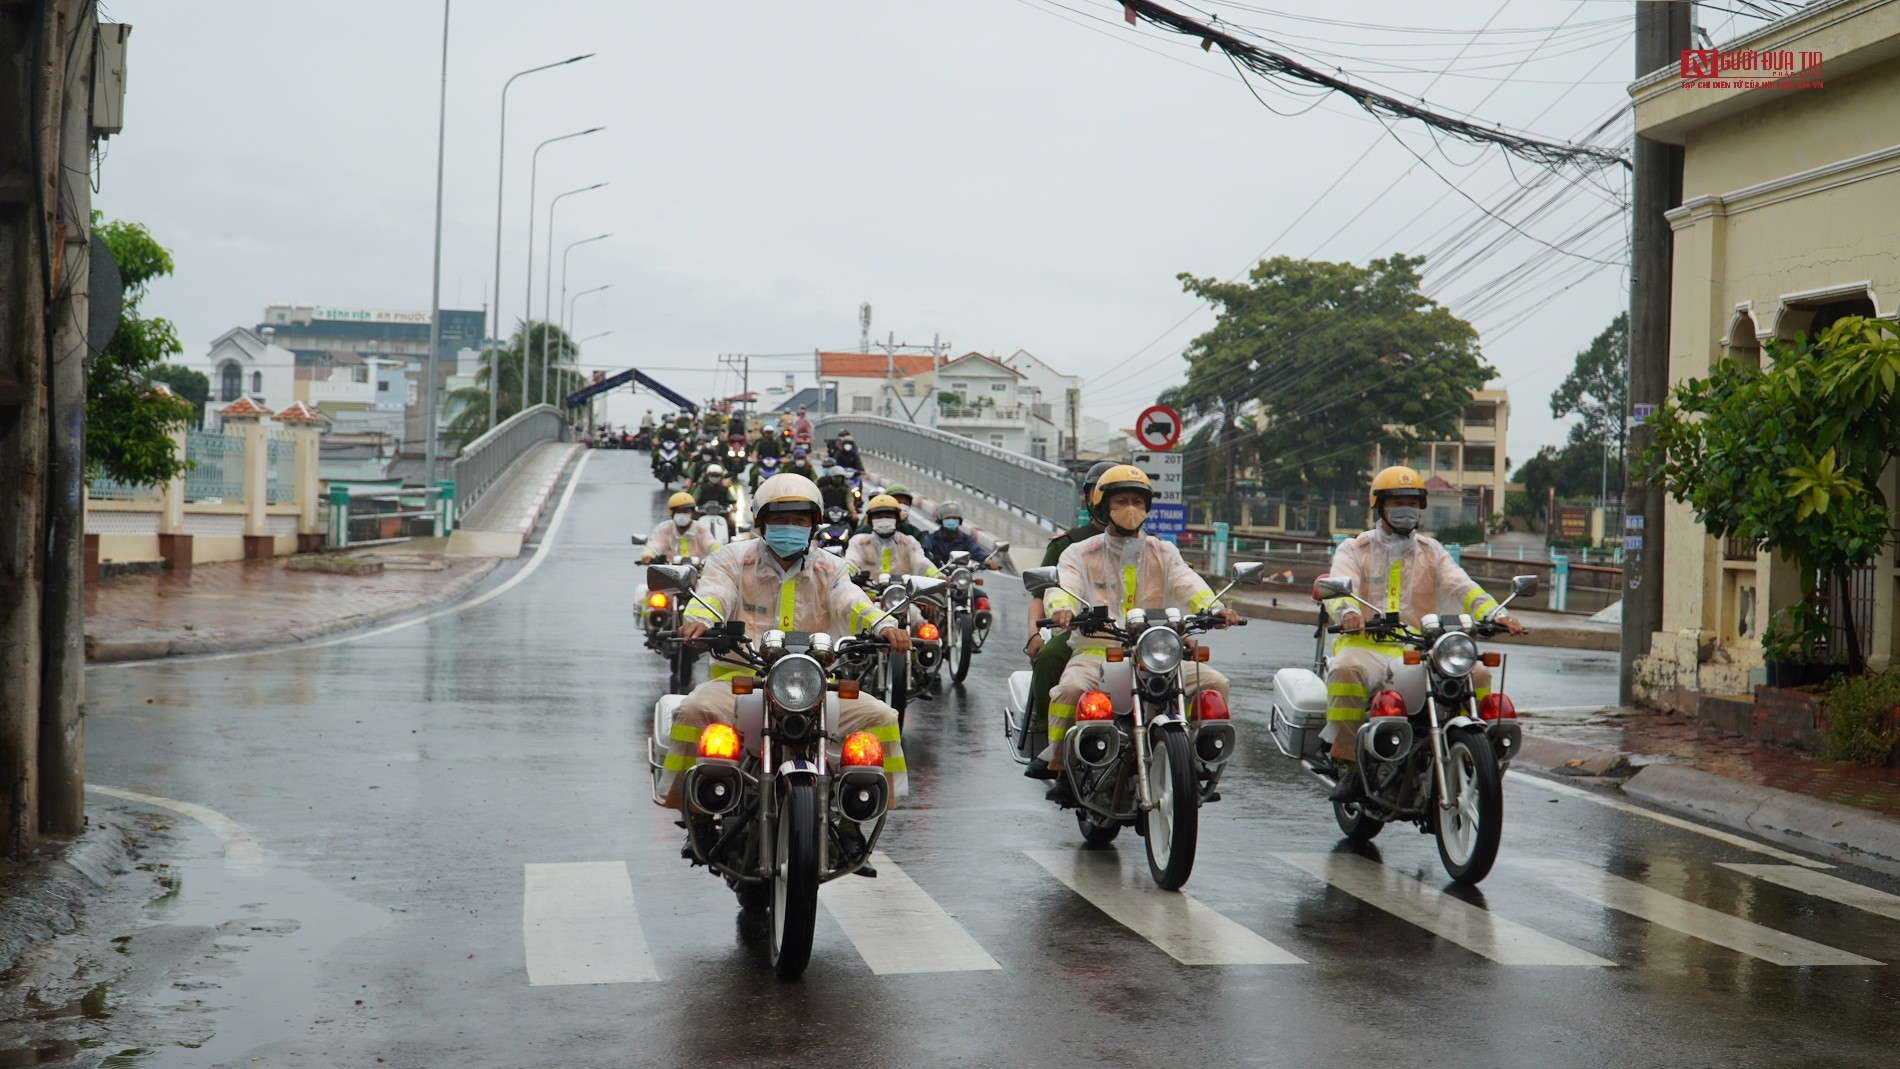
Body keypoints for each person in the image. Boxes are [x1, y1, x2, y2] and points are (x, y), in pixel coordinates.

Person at [661, 475, 913, 871]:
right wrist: (699, 620)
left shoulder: (830, 566)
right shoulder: (731, 558)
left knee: (881, 717)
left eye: (800, 520)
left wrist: (885, 625)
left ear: (813, 525)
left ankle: (852, 823)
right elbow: (714, 594)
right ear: (761, 522)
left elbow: (852, 601)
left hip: (814, 682)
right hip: (740, 680)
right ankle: (696, 816)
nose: (791, 528)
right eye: (782, 519)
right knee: (693, 711)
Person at [1041, 466, 1243, 805]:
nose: (1131, 507)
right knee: (1071, 690)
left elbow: (1188, 583)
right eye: (1122, 500)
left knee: (1215, 684)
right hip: (1098, 650)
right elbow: (1063, 587)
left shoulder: (1163, 552)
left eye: (1137, 500)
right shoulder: (1079, 553)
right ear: (1104, 507)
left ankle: (1197, 762)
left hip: (1157, 649)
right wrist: (1063, 609)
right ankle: (1062, 767)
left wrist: (1215, 608)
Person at [1322, 466, 1524, 803]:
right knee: (1345, 671)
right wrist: (1349, 613)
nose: (1406, 509)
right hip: (1365, 646)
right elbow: (1340, 584)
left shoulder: (1433, 551)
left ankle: (1467, 747)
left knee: (1477, 672)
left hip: (1418, 647)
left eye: (1413, 502)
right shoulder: (1354, 549)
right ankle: (1350, 766)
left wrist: (1497, 614)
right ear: (1380, 507)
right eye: (1398, 502)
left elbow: (1463, 586)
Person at [1020, 462, 1115, 779]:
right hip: (1082, 630)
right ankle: (1052, 746)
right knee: (1049, 656)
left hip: (1132, 630)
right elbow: (1041, 595)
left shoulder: (1150, 545)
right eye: (1100, 491)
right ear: (1089, 497)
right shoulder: (1067, 544)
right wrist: (1035, 634)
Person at [847, 494, 941, 580]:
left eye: (888, 516)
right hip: (867, 595)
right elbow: (851, 561)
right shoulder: (858, 542)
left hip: (904, 595)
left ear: (897, 519)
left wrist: (938, 576)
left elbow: (921, 562)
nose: (884, 520)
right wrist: (846, 573)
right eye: (878, 517)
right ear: (870, 521)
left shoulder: (909, 543)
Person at [640, 492, 721, 562]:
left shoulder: (701, 529)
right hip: (668, 572)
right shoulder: (663, 529)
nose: (682, 515)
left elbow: (710, 543)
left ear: (692, 513)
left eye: (686, 512)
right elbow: (655, 544)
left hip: (698, 572)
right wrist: (648, 554)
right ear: (672, 513)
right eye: (679, 512)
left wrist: (720, 552)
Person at [921, 500, 1001, 570]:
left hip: (959, 575)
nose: (951, 520)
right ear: (941, 520)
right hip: (936, 575)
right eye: (948, 518)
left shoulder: (966, 539)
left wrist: (987, 559)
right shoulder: (932, 538)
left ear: (959, 521)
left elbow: (975, 550)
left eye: (955, 518)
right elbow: (923, 551)